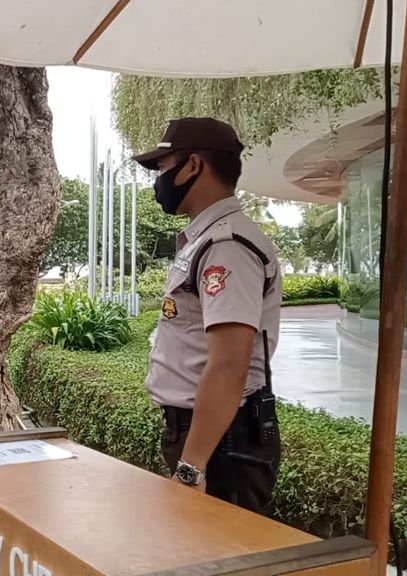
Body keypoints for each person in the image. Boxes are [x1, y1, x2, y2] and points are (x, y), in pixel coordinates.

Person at [132, 117, 283, 514]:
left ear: (194, 166)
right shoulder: (205, 241)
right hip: (211, 436)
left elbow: (229, 365)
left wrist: (191, 468)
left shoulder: (226, 246)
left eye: (164, 168)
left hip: (222, 444)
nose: (159, 181)